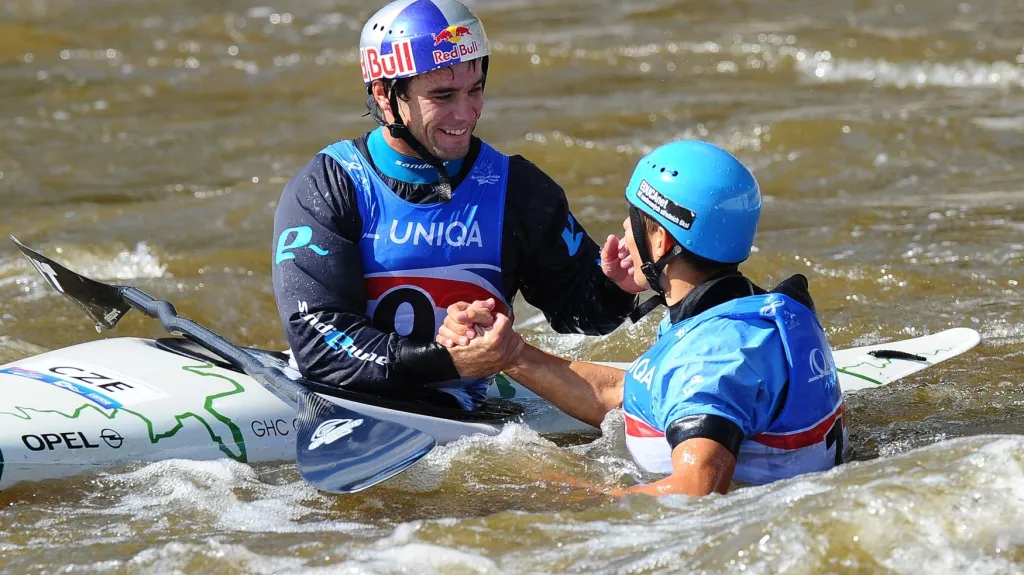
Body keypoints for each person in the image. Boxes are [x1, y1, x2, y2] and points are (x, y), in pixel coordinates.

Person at [271, 0, 641, 410]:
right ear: (385, 95)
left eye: (474, 90)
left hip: (463, 412)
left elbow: (581, 314)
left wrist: (616, 287)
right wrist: (445, 362)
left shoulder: (518, 188)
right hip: (346, 400)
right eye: (442, 95)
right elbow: (318, 342)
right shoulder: (329, 185)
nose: (465, 114)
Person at [437, 140, 848, 496]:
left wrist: (574, 492)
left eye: (633, 221)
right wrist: (511, 354)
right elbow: (625, 395)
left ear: (661, 241)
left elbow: (696, 487)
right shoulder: (741, 314)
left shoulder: (713, 356)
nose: (622, 231)